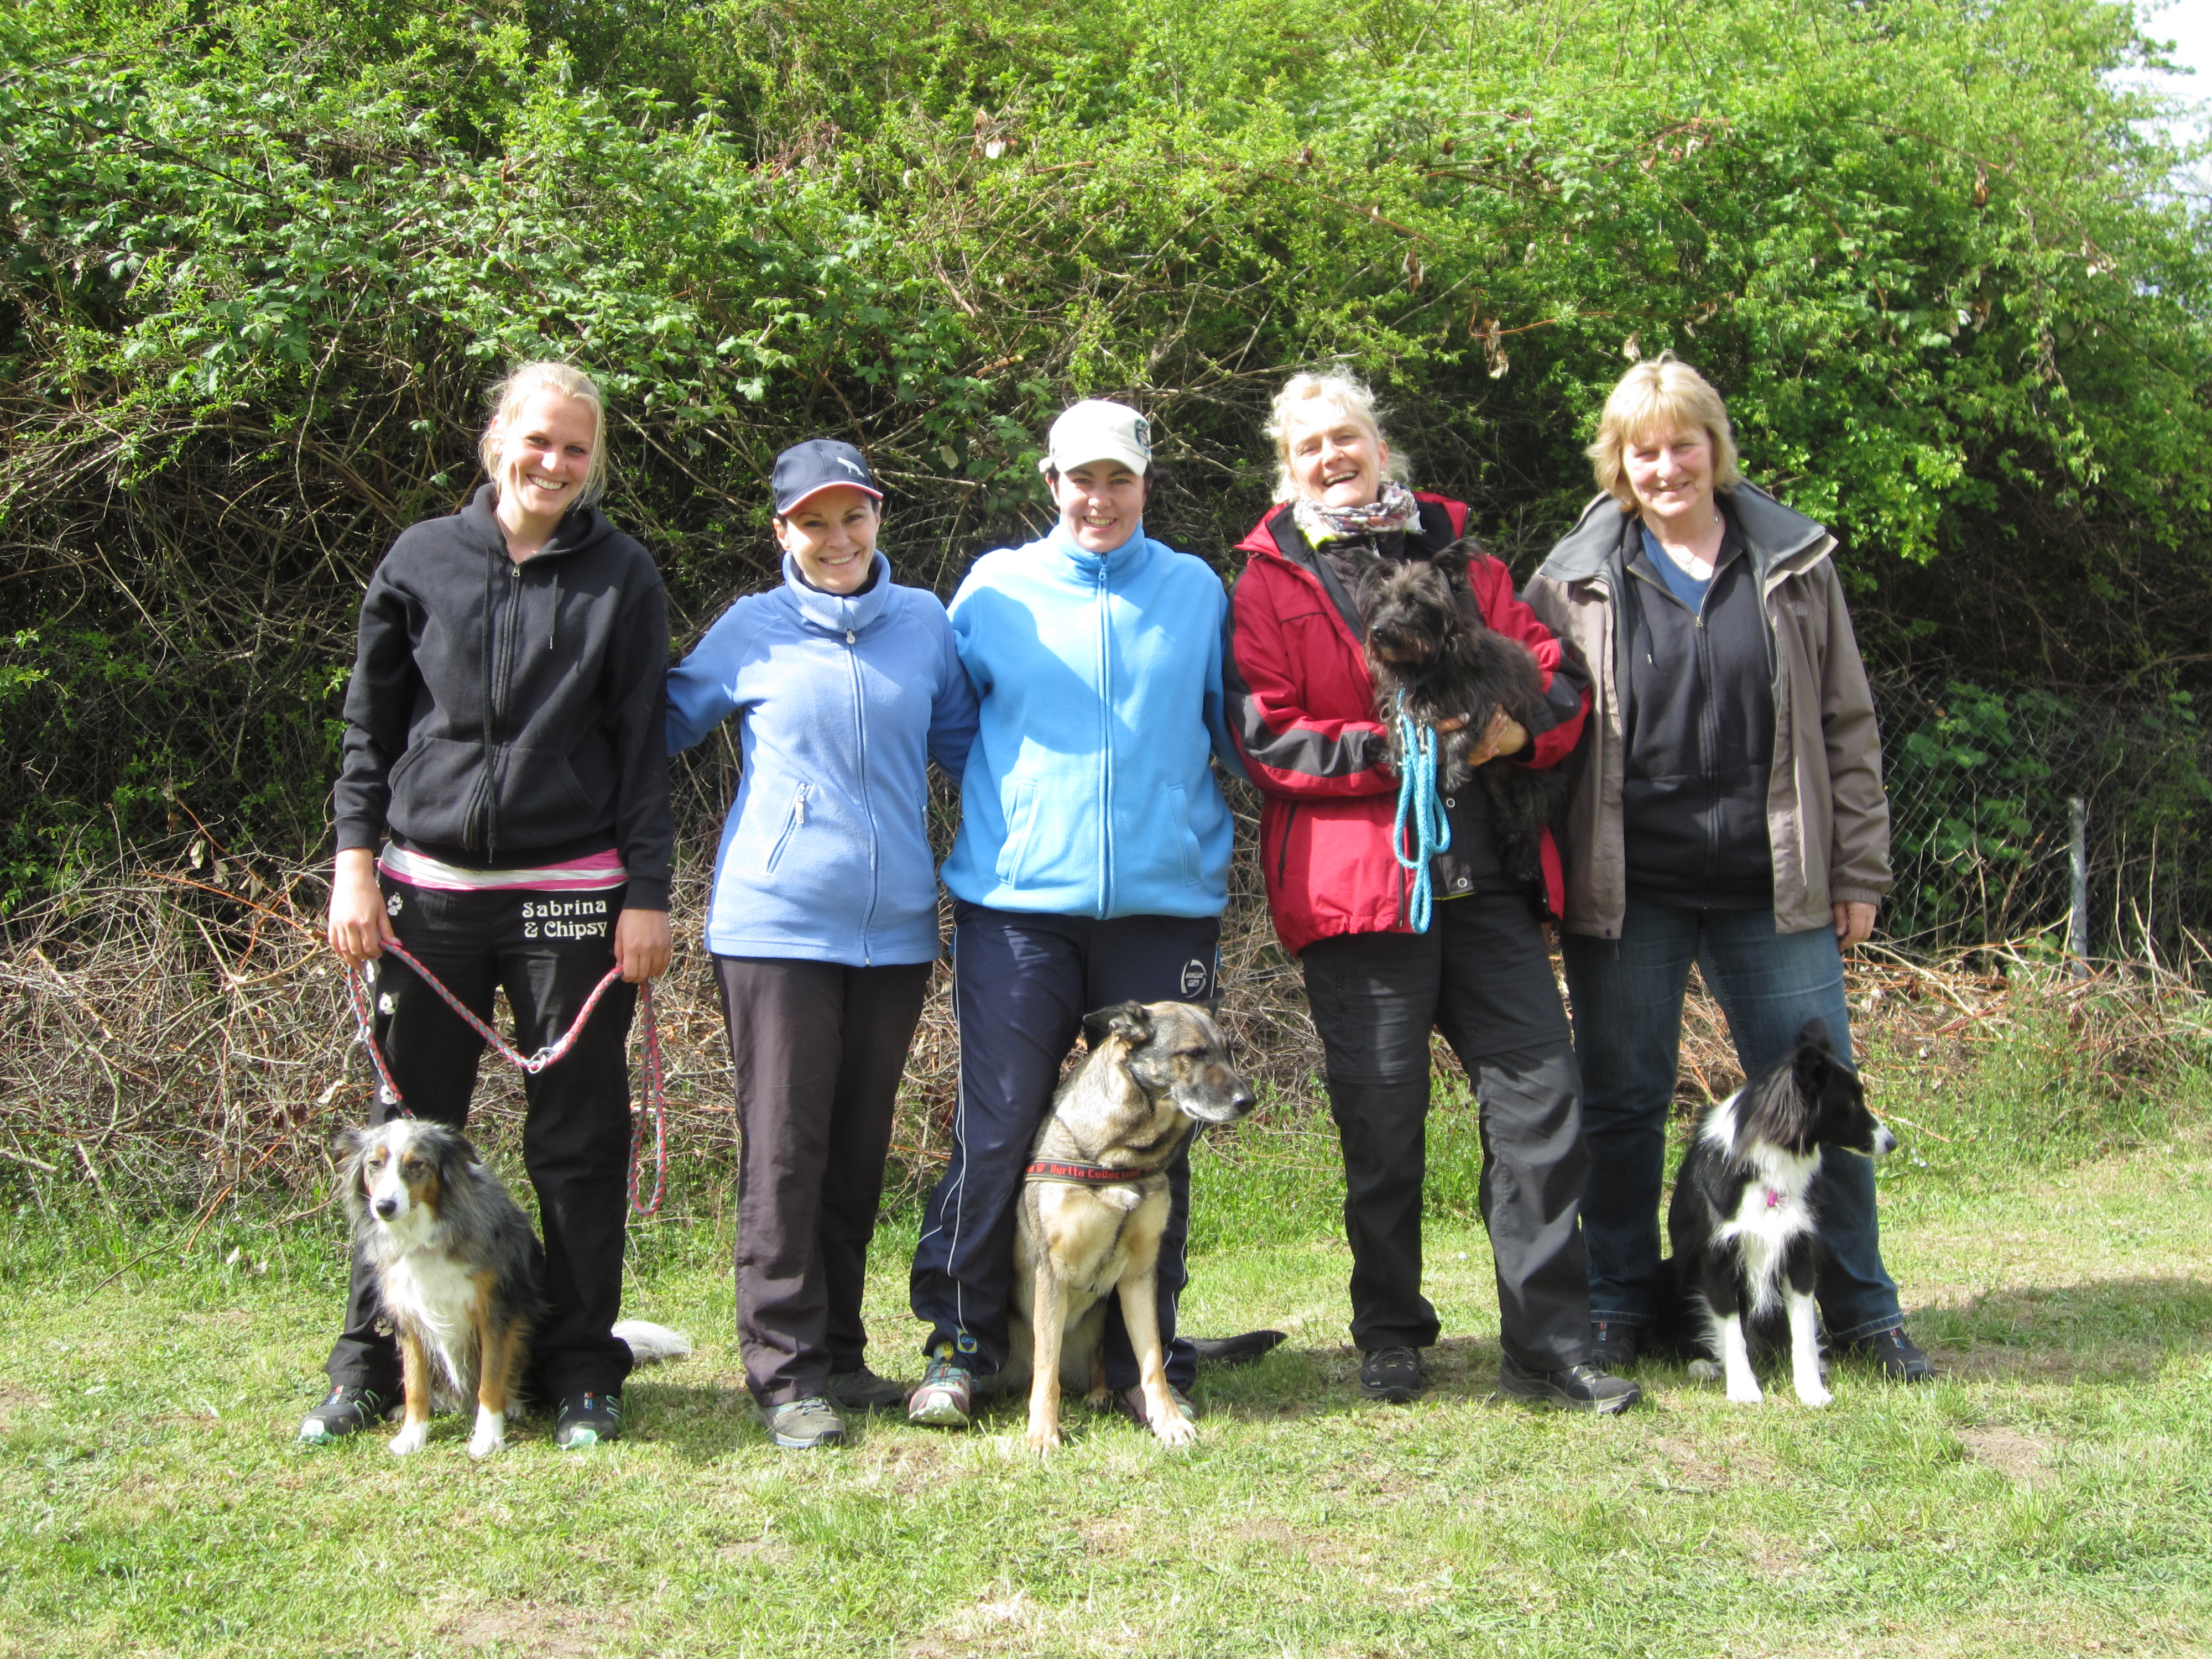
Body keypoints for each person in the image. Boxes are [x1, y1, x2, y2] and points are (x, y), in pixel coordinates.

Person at [1225, 371, 1639, 1412]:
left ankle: (1549, 1342)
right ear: (1290, 466)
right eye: (1310, 445)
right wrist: (1400, 747)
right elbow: (1265, 735)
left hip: (1491, 879)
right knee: (1382, 1122)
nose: (1332, 456)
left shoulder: (1466, 561)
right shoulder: (1273, 581)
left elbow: (1555, 681)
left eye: (1347, 437)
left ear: (1381, 445)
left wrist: (1519, 730)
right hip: (1363, 890)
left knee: (1542, 1105)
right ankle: (1392, 1332)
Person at [1523, 352, 1932, 1381]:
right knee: (1619, 1105)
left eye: (1684, 445)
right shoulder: (1570, 579)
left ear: (1716, 448)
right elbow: (1538, 741)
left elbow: (1847, 724)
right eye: (1643, 451)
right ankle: (1617, 1303)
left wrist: (1859, 870)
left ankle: (1862, 1311)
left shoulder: (1793, 562)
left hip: (1775, 886)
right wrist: (1539, 885)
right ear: (1618, 464)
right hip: (1632, 890)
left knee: (1821, 1107)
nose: (1666, 468)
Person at [305, 361, 675, 1450]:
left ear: (592, 461)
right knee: (401, 1134)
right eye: (538, 442)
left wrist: (645, 898)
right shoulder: (421, 558)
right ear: (495, 442)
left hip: (571, 903)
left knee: (577, 1136)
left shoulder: (622, 574)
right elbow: (368, 732)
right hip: (426, 898)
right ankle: (371, 1359)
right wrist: (353, 863)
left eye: (576, 449)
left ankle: (578, 1367)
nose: (553, 464)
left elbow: (643, 753)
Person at [904, 399, 1244, 1433]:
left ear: (1147, 483)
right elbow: (957, 726)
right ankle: (962, 1346)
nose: (1099, 500)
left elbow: (1233, 724)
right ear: (1050, 483)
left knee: (1163, 1131)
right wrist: (1028, 812)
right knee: (1002, 1124)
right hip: (1018, 910)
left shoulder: (1195, 590)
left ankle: (1151, 1363)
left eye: (1119, 480)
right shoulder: (997, 588)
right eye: (1079, 480)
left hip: (1160, 910)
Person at [664, 440, 978, 1451]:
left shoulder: (925, 624)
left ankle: (840, 1353)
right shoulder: (751, 630)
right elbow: (659, 723)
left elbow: (972, 752)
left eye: (854, 516)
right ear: (782, 532)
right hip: (776, 928)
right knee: (786, 1153)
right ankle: (783, 1371)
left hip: (894, 935)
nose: (836, 539)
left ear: (879, 515)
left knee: (854, 1154)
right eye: (813, 521)